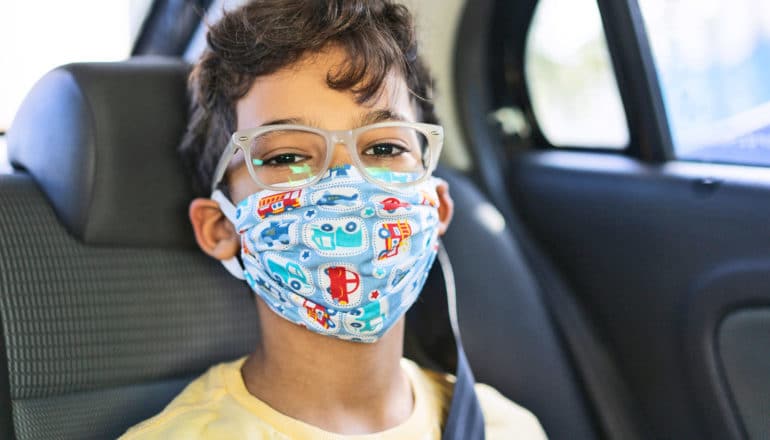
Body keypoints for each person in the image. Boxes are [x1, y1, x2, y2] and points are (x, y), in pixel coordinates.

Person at [121, 1, 546, 438]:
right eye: (286, 156)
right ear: (222, 227)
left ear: (436, 208)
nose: (345, 181)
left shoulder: (507, 428)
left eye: (384, 149)